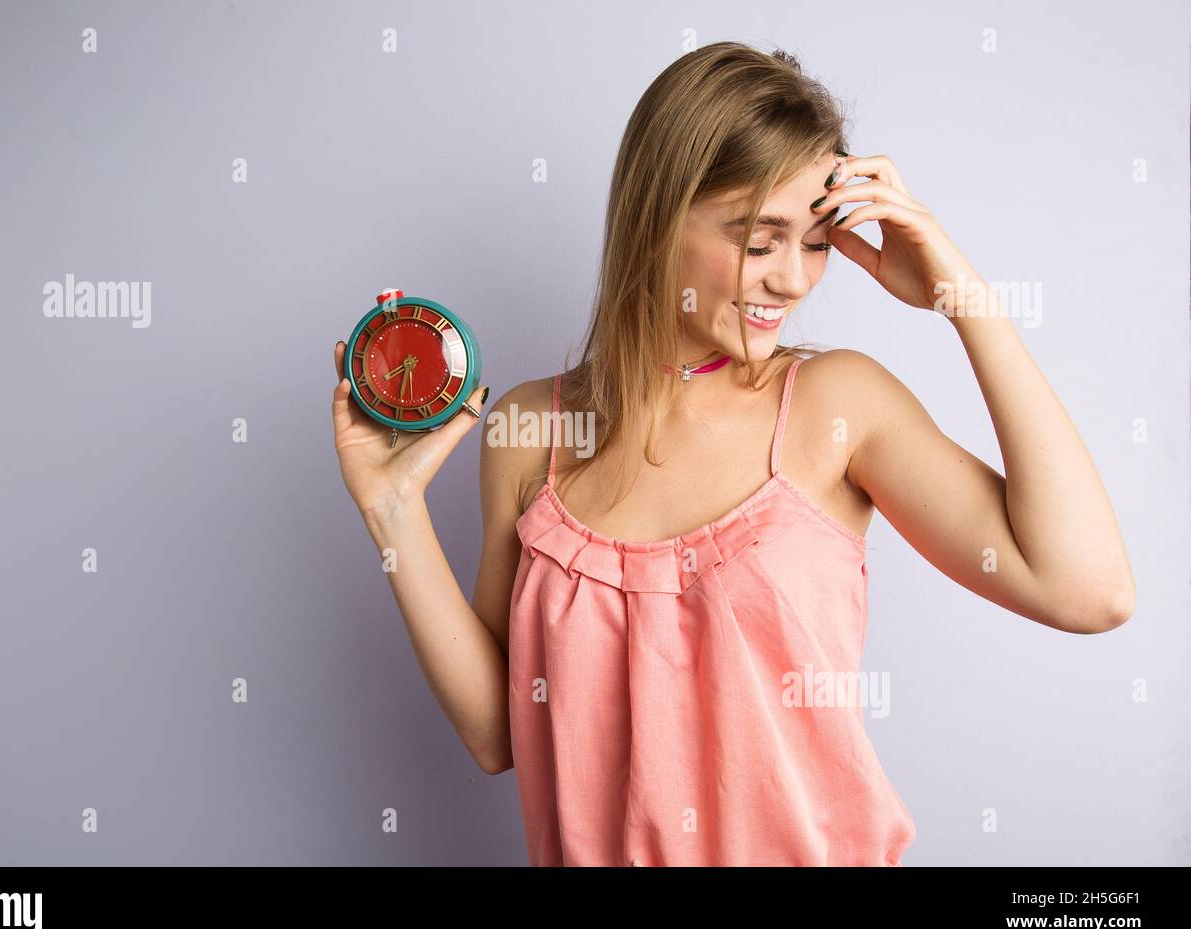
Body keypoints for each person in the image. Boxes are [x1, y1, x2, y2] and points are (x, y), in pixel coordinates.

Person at [330, 42, 1135, 866]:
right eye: (759, 241)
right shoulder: (534, 429)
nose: (793, 280)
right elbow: (502, 734)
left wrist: (964, 298)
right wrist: (390, 510)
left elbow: (1089, 591)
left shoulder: (836, 407)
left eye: (816, 243)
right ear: (656, 217)